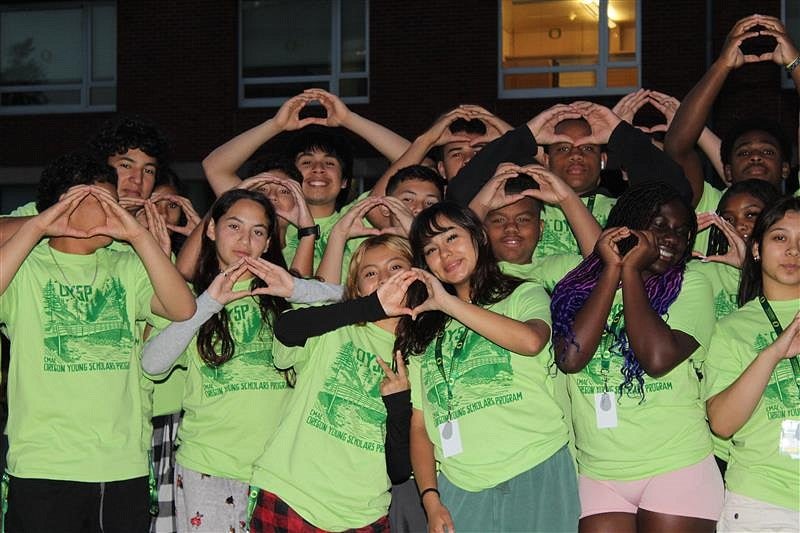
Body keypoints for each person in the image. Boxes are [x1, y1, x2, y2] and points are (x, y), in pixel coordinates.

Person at [0, 152, 195, 532]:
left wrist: (138, 236)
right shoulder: (26, 266)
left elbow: (182, 308)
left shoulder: (125, 265)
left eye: (114, 202)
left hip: (121, 466)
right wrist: (40, 226)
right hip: (43, 466)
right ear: (65, 204)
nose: (113, 210)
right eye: (100, 201)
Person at [395, 202, 579, 533]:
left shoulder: (522, 292)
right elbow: (420, 425)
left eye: (452, 238)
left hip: (536, 464)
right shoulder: (423, 328)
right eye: (432, 249)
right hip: (460, 482)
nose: (445, 253)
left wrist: (447, 303)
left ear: (478, 236)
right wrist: (431, 500)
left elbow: (531, 341)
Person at [550, 182, 722, 532]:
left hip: (676, 463)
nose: (671, 239)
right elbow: (570, 358)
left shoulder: (691, 285)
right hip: (598, 470)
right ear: (627, 226)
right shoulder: (580, 287)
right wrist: (611, 269)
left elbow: (657, 358)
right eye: (659, 225)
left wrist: (630, 272)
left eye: (682, 232)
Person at [141, 189, 294, 532]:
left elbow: (350, 297)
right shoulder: (188, 298)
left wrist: (298, 290)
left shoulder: (286, 299)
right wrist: (208, 303)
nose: (245, 240)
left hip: (281, 472)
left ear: (269, 242)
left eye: (258, 231)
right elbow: (152, 363)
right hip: (209, 467)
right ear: (211, 230)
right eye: (234, 226)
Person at [248, 235, 421, 532]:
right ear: (356, 288)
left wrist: (398, 405)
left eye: (395, 267)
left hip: (362, 513)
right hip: (291, 495)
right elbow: (287, 329)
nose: (383, 278)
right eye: (370, 273)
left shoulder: (422, 354)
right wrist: (371, 307)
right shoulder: (334, 325)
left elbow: (400, 469)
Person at [447, 102, 690, 259]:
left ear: (603, 160)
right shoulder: (520, 202)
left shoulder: (622, 209)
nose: (575, 155)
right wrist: (526, 136)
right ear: (545, 159)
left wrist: (620, 135)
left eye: (587, 149)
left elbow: (677, 194)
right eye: (563, 149)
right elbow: (458, 197)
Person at [703, 196, 800, 532]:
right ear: (756, 249)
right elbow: (722, 423)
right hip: (761, 502)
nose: (792, 251)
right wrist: (771, 354)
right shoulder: (732, 329)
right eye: (780, 237)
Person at [664, 14, 796, 211]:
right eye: (744, 152)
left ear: (785, 168)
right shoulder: (709, 206)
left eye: (768, 151)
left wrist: (795, 63)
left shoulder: (796, 210)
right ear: (727, 172)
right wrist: (722, 65)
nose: (755, 157)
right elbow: (677, 148)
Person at [0, 115, 171, 244]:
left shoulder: (154, 236)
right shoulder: (61, 206)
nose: (138, 179)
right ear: (103, 166)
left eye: (148, 170)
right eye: (126, 166)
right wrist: (65, 218)